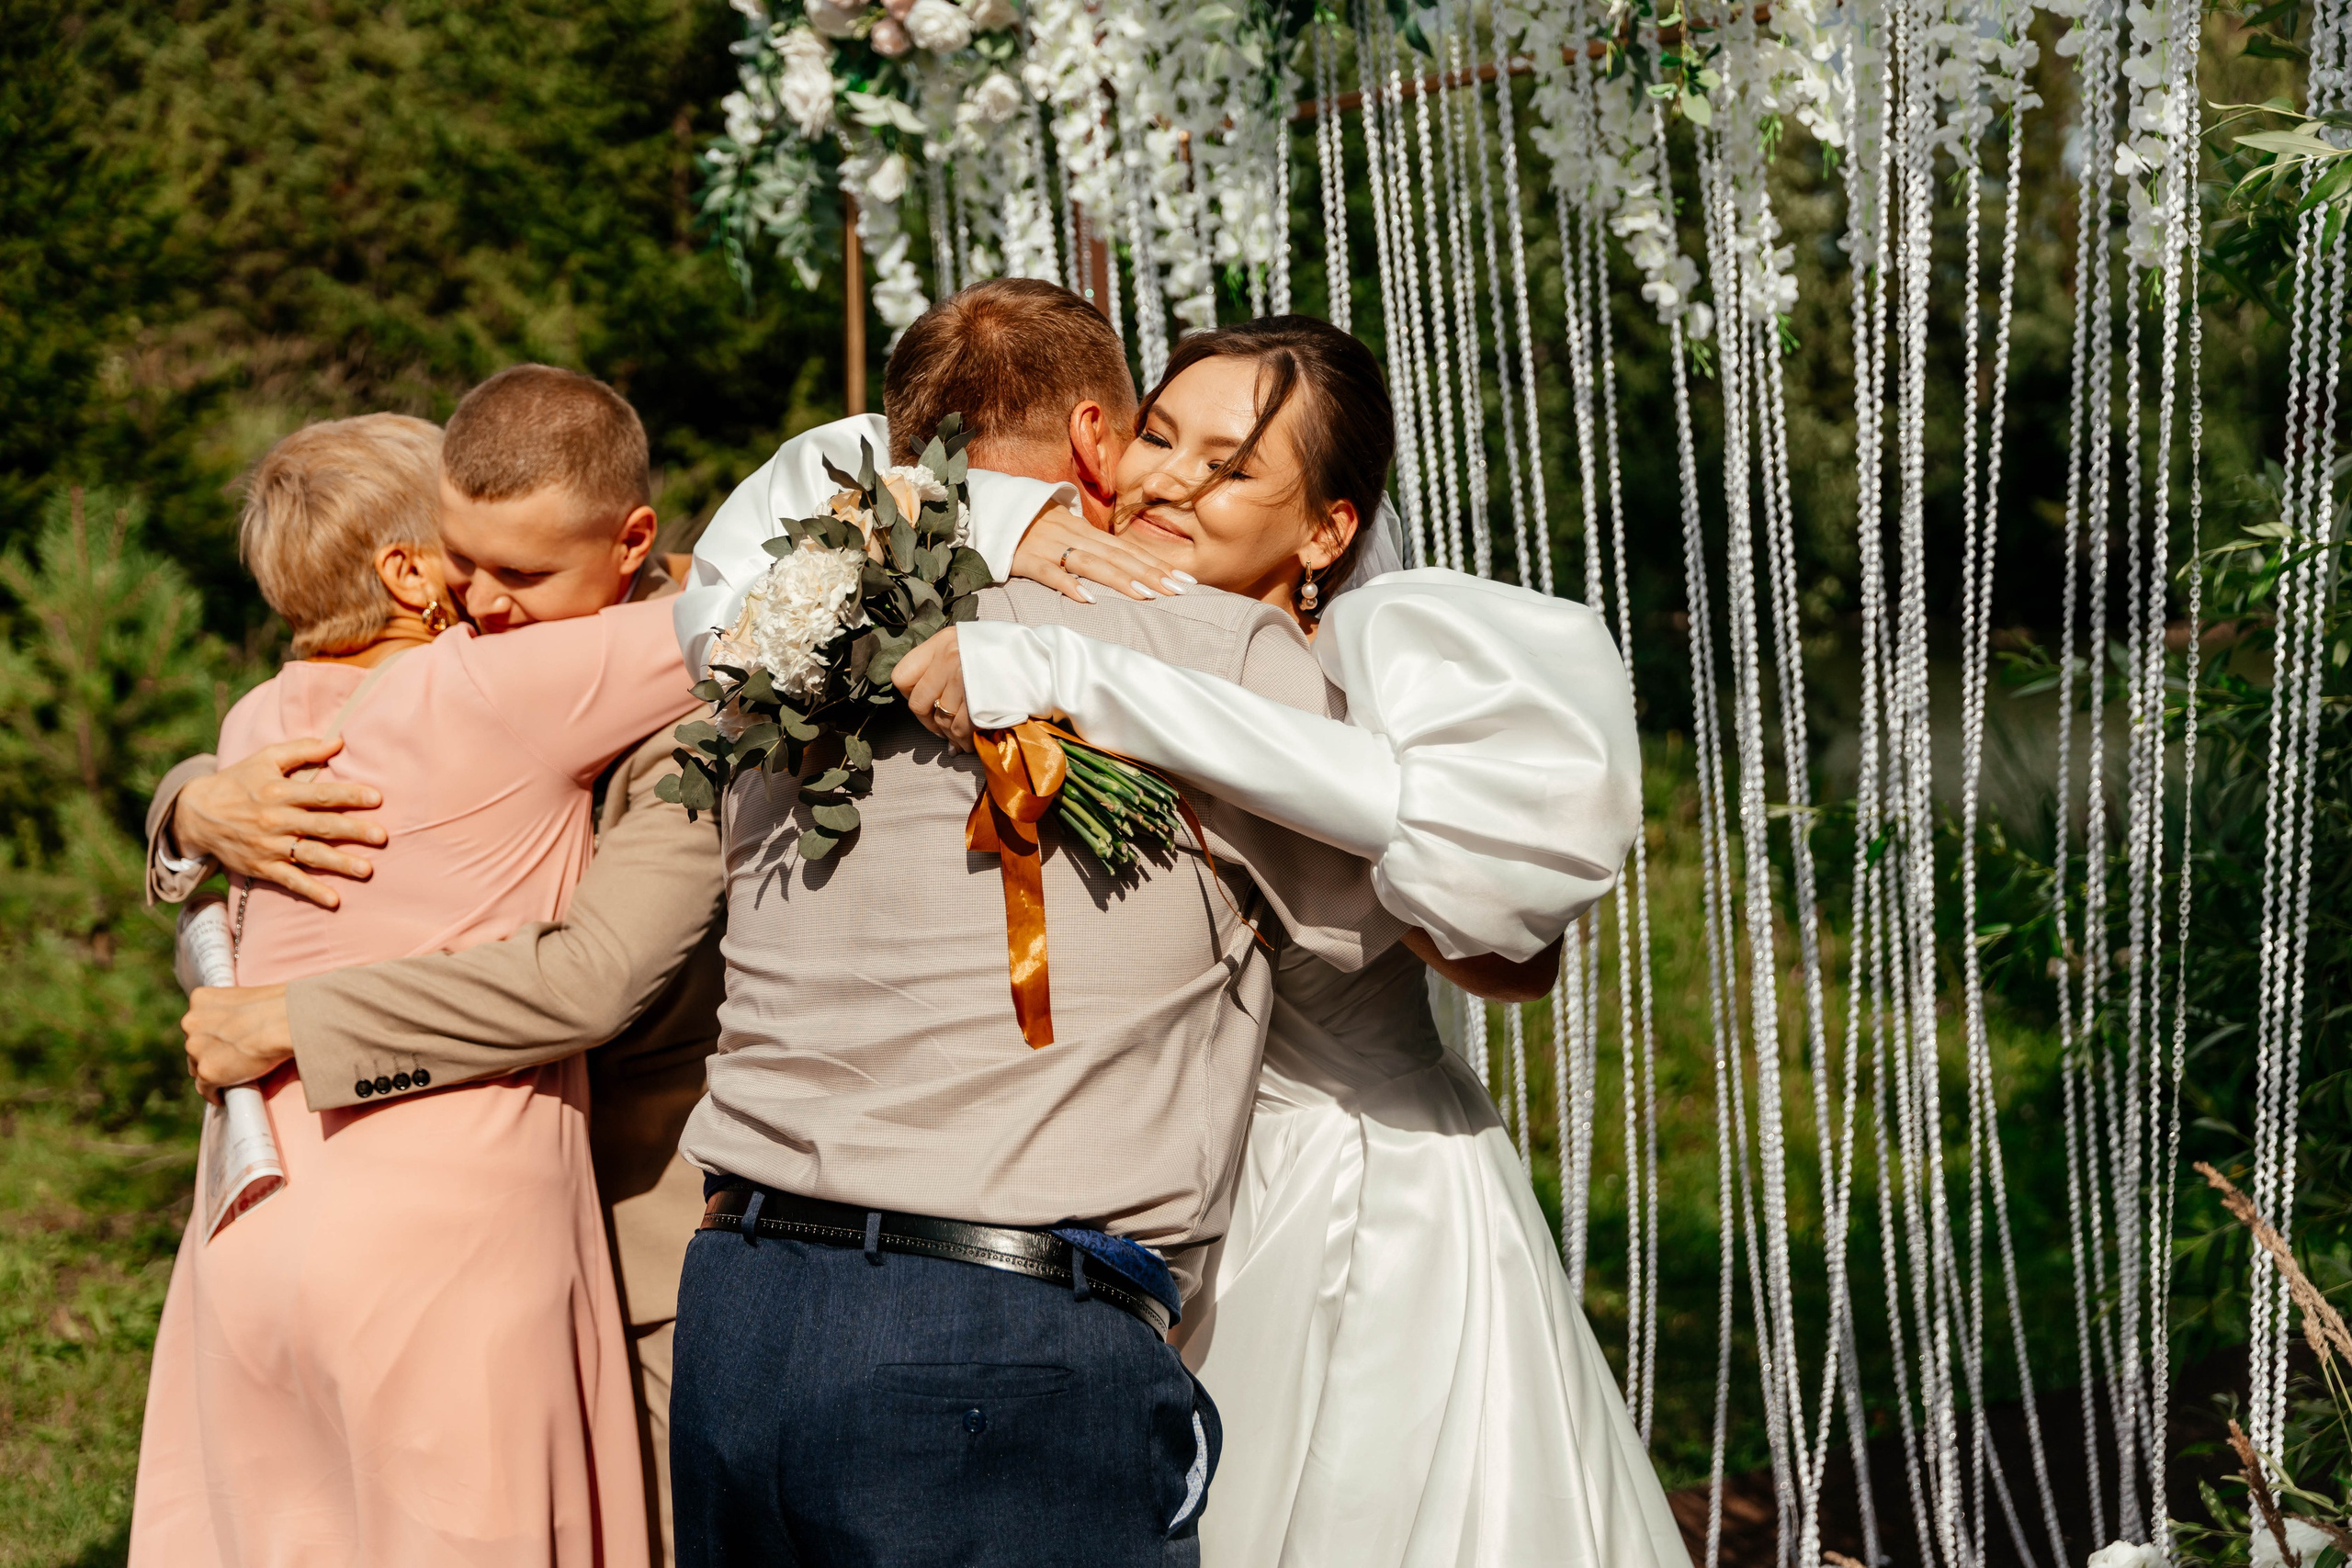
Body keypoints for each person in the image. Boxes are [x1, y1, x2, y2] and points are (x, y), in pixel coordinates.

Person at [891, 316, 1689, 1567]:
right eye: (1158, 436)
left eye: (1228, 465)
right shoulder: (1055, 623)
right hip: (1143, 1198)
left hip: (1358, 1196)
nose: (1167, 482)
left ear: (1327, 533)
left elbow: (1511, 959)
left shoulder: (1354, 679)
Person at [663, 278, 1408, 1568]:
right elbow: (1427, 913)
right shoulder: (1212, 649)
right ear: (1092, 438)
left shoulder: (773, 651)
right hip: (1001, 1348)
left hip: (738, 1313)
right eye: (1153, 436)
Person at [142, 366, 721, 1565]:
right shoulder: (497, 684)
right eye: (464, 560)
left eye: (515, 568)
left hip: (254, 1211)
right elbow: (768, 614)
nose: (486, 597)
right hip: (458, 1231)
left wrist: (191, 805)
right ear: (413, 567)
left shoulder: (256, 725)